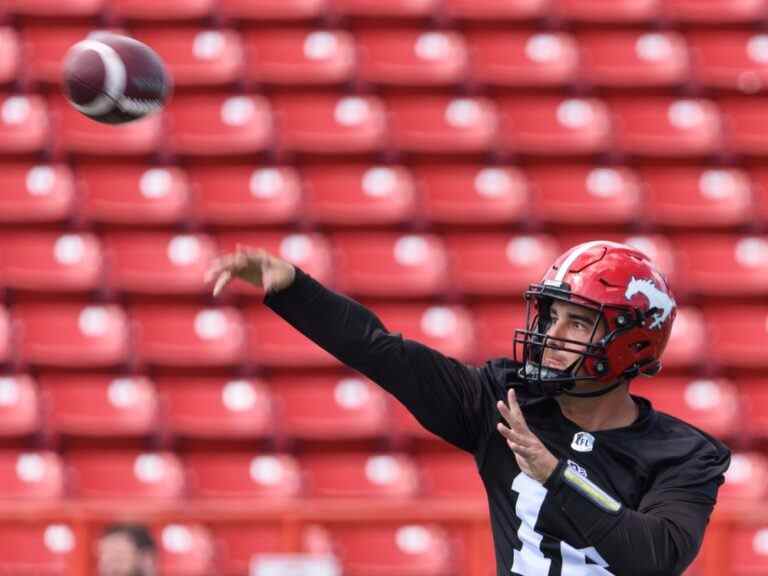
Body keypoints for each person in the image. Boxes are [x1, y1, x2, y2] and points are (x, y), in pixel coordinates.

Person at [206, 240, 731, 576]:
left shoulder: (684, 455)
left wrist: (555, 476)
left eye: (576, 322)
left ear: (631, 343)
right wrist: (295, 289)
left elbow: (655, 557)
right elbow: (385, 353)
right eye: (551, 318)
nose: (550, 335)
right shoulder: (505, 403)